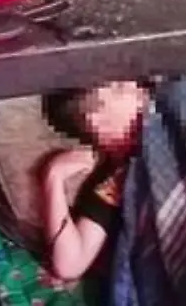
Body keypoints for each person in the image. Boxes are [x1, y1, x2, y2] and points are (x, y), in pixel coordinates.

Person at [39, 80, 151, 281]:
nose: (140, 91)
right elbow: (70, 264)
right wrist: (53, 177)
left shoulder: (168, 105)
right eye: (119, 88)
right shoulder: (114, 181)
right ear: (95, 120)